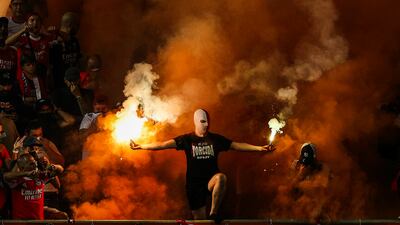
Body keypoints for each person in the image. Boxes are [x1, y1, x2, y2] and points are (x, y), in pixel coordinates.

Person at [130, 109, 275, 222]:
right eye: (202, 122)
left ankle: (214, 213)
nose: (205, 125)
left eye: (207, 122)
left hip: (210, 180)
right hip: (194, 185)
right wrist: (141, 146)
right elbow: (162, 145)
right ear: (195, 122)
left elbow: (236, 145)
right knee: (200, 221)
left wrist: (259, 148)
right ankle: (206, 218)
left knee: (221, 178)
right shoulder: (186, 139)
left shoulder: (215, 139)